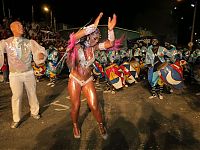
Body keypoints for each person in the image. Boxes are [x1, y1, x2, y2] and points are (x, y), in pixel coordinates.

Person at [64, 12, 116, 139]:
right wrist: (94, 25)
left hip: (87, 80)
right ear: (87, 36)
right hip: (75, 79)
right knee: (76, 106)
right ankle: (75, 125)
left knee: (94, 105)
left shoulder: (95, 47)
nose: (97, 40)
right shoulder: (75, 46)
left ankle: (101, 124)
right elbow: (74, 37)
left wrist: (110, 30)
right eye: (95, 37)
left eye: (98, 38)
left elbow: (111, 44)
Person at [0, 21, 47, 128]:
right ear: (13, 29)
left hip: (29, 73)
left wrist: (40, 55)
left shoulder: (29, 42)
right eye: (19, 26)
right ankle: (16, 119)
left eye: (21, 25)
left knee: (32, 93)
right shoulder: (6, 43)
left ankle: (34, 112)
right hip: (14, 75)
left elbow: (39, 50)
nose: (22, 27)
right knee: (16, 96)